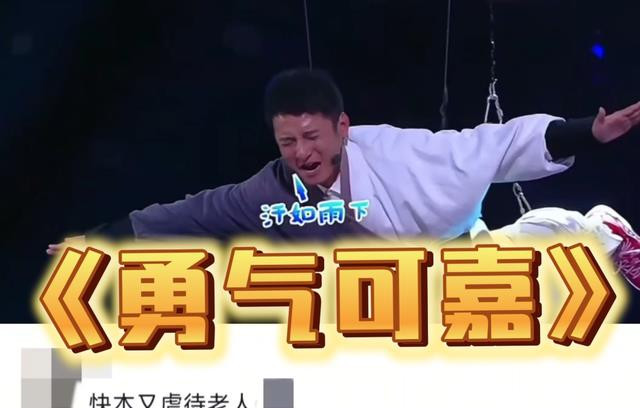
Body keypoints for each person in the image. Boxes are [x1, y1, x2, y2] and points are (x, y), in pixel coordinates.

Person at [48, 68, 640, 289]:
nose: (301, 154)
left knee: (532, 255)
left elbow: (495, 144)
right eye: (287, 143)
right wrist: (97, 239)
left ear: (342, 127)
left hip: (457, 257)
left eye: (312, 138)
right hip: (389, 292)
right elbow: (192, 213)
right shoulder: (272, 189)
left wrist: (587, 132)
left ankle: (602, 229)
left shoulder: (396, 152)